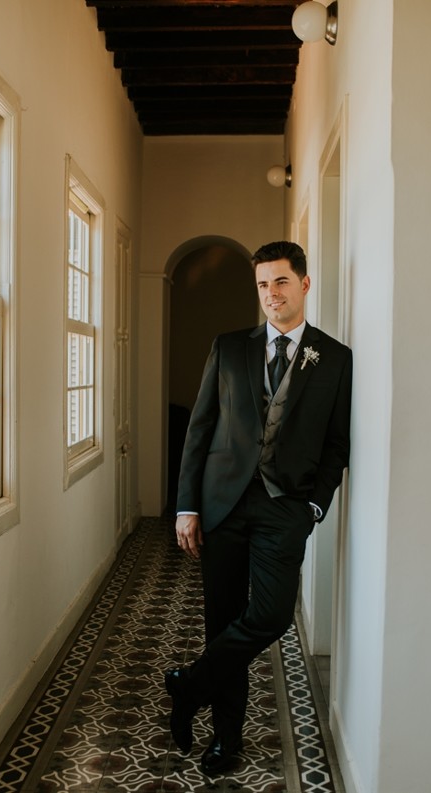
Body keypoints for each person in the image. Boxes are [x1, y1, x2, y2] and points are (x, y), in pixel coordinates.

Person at [166, 240, 352, 775]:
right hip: (222, 506)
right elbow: (199, 431)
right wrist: (186, 507)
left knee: (269, 616)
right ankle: (227, 740)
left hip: (284, 509)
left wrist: (313, 507)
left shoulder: (334, 358)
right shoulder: (230, 348)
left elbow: (336, 444)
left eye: (281, 282)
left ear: (305, 284)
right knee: (222, 623)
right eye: (263, 284)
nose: (271, 294)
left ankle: (189, 684)